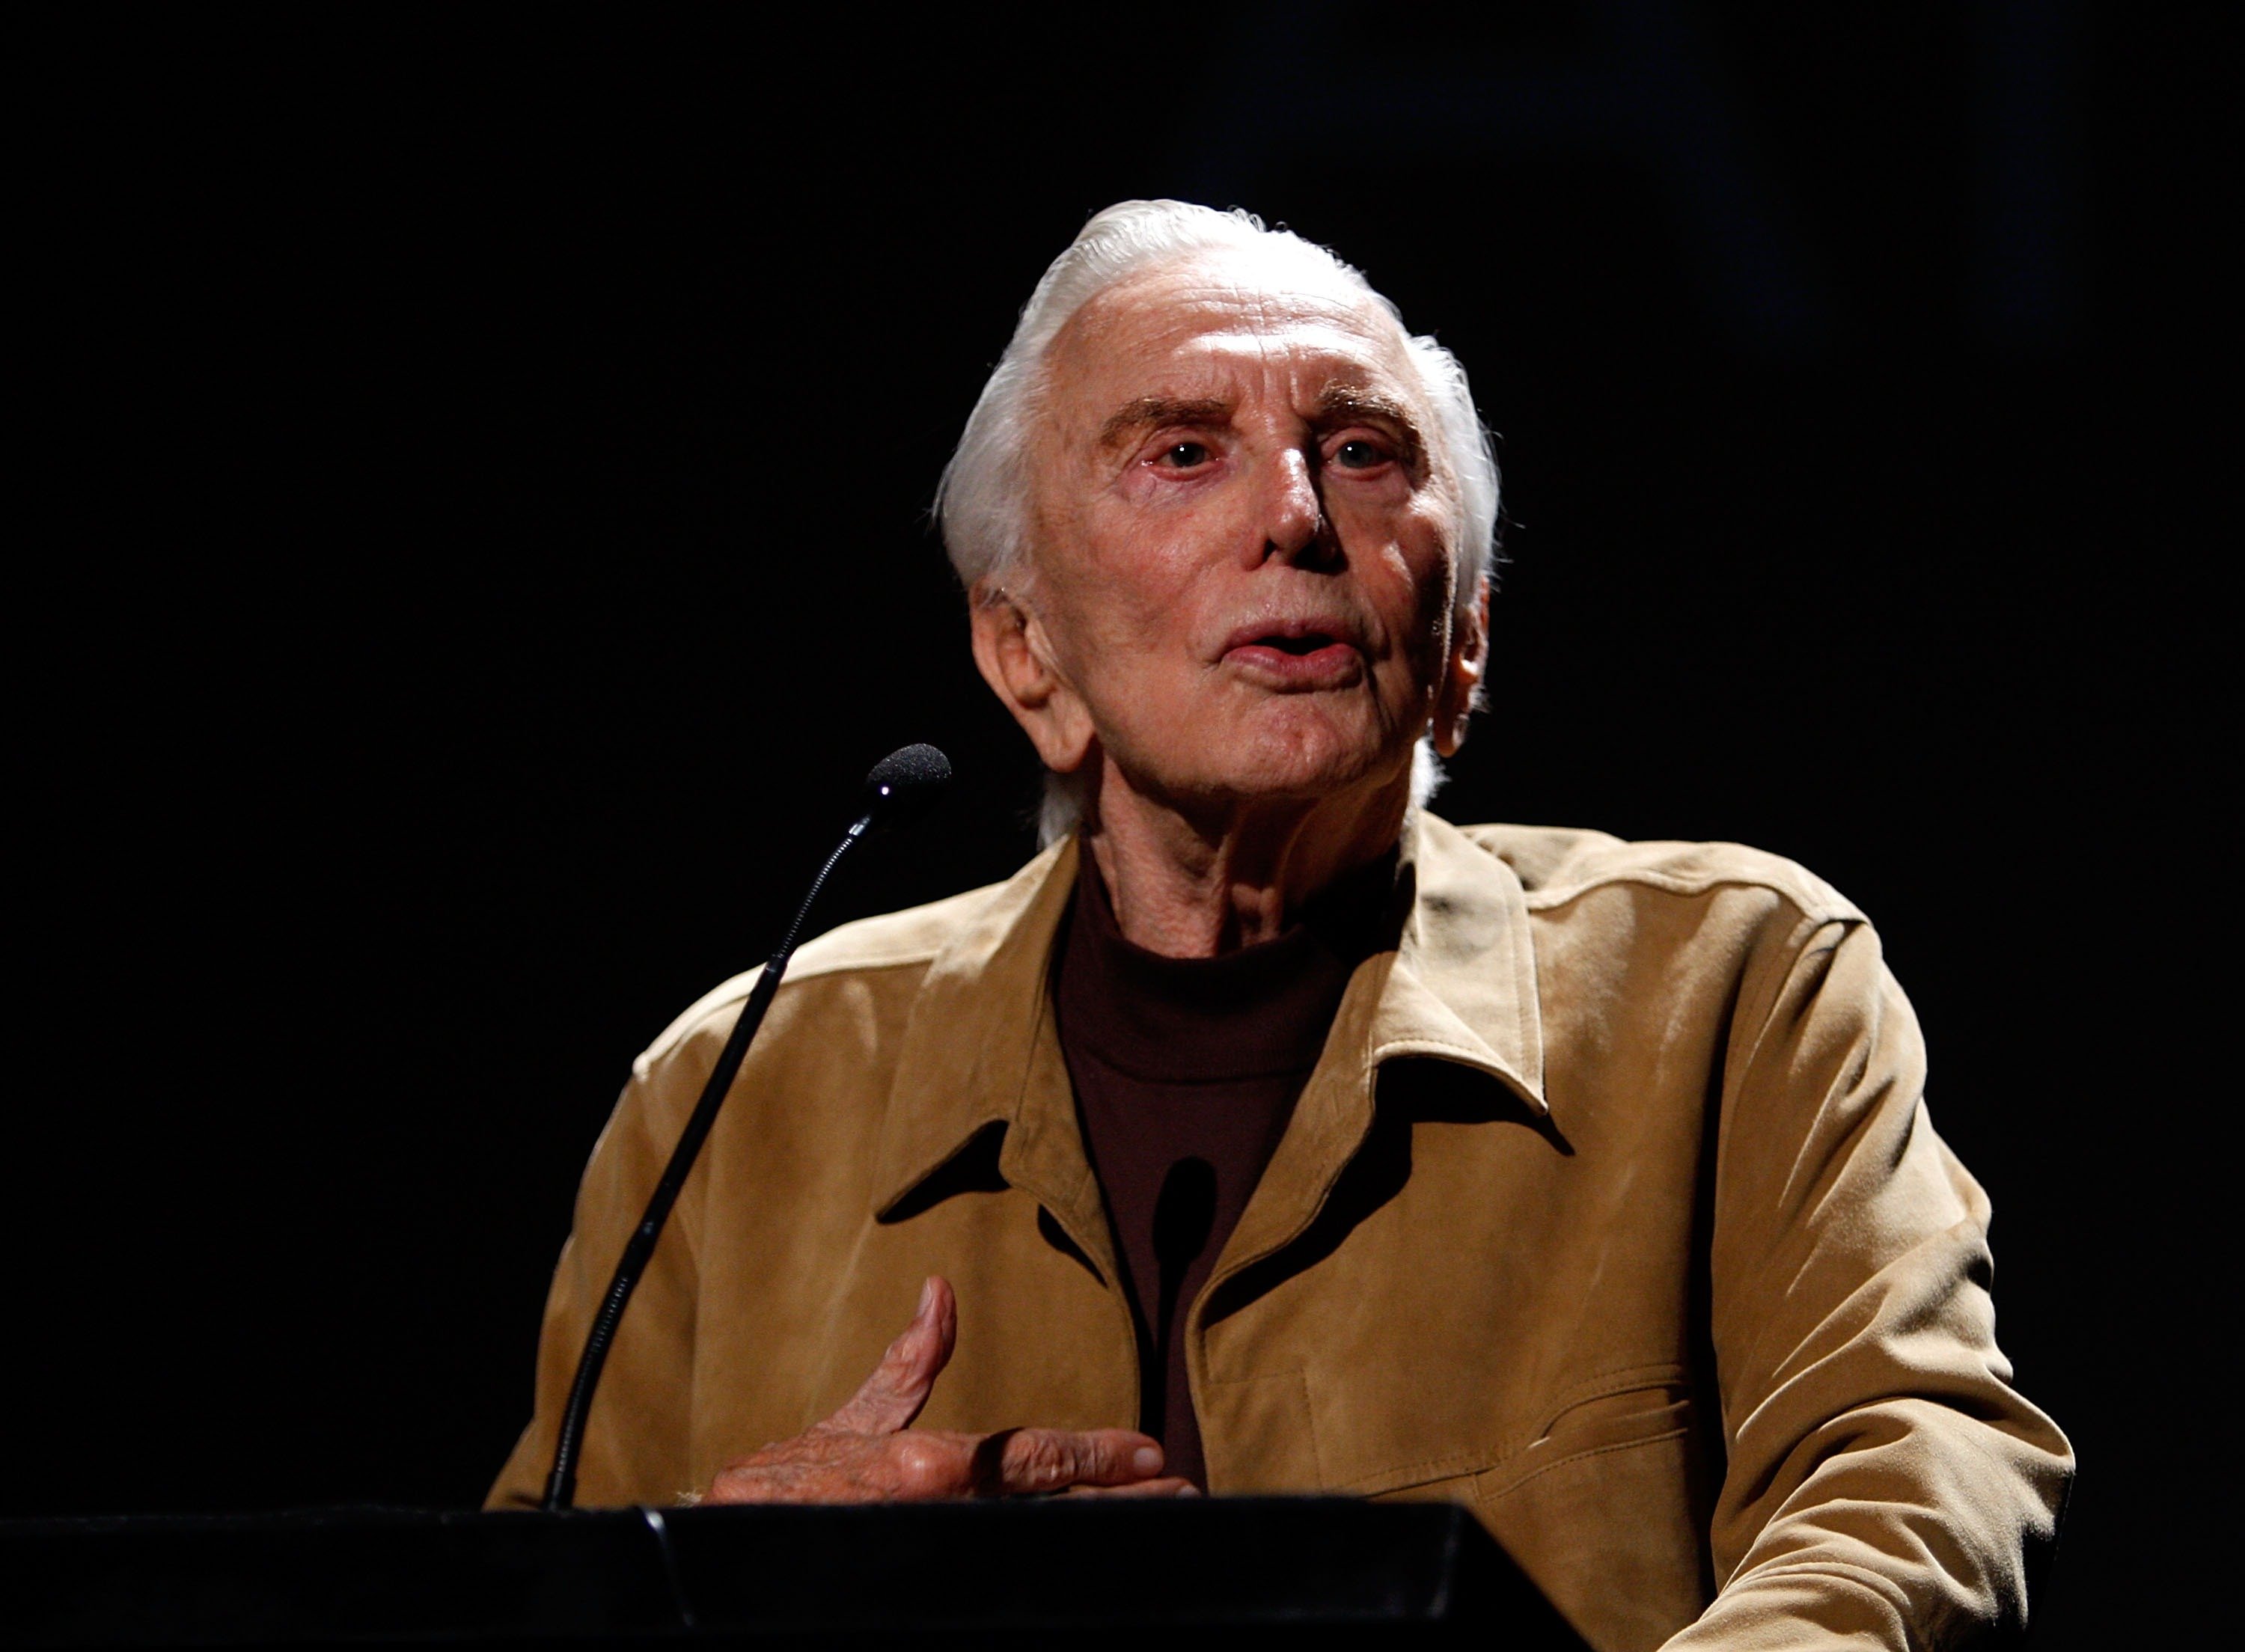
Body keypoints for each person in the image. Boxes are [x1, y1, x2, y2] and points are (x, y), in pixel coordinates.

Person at [490, 201, 2071, 1649]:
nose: (1298, 518)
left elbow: (1911, 1484)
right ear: (1024, 650)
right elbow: (509, 1598)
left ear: (1462, 643)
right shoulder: (740, 1088)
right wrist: (710, 1578)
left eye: (1366, 453)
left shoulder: (1731, 990)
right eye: (1182, 451)